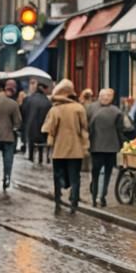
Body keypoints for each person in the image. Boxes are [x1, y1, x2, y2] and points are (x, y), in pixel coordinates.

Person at [42, 79, 90, 213]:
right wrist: (85, 146)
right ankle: (74, 202)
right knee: (75, 176)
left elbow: (49, 130)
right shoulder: (79, 108)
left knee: (58, 175)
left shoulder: (55, 110)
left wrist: (50, 143)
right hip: (76, 149)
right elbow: (84, 129)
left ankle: (58, 198)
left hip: (59, 149)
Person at [87, 88, 126, 207]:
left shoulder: (91, 108)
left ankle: (98, 196)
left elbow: (87, 127)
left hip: (98, 146)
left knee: (97, 172)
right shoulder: (116, 111)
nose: (105, 98)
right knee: (104, 173)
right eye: (104, 96)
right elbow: (121, 131)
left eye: (108, 96)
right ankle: (100, 195)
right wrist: (122, 144)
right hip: (108, 147)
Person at [22, 81, 53, 164]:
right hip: (43, 126)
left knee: (31, 144)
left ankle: (31, 158)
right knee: (42, 145)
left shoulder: (28, 99)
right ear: (44, 89)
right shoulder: (47, 102)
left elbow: (23, 112)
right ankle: (41, 160)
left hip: (30, 126)